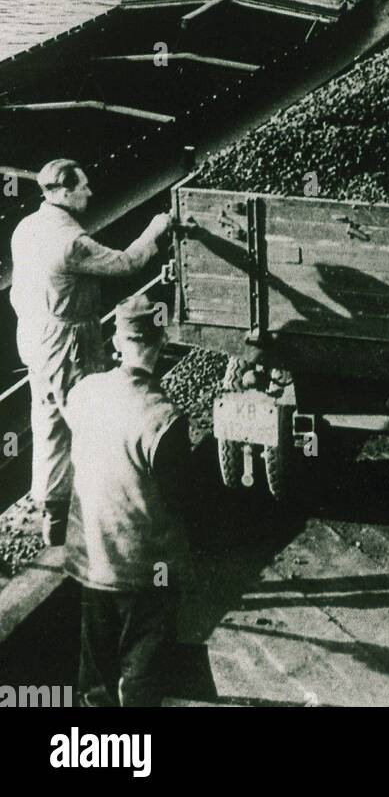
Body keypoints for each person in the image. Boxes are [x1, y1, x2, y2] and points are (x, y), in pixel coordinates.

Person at [9, 160, 173, 545]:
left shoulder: (25, 228)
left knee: (48, 423)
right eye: (83, 187)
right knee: (89, 427)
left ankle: (53, 519)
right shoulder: (72, 243)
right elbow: (126, 263)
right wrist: (156, 228)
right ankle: (104, 523)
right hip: (70, 342)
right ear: (64, 192)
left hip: (34, 336)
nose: (90, 192)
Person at [65, 294, 191, 708]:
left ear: (117, 343)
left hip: (91, 563)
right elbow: (181, 499)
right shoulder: (163, 417)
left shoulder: (84, 393)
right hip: (146, 572)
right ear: (161, 343)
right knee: (143, 671)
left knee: (95, 676)